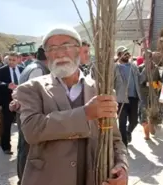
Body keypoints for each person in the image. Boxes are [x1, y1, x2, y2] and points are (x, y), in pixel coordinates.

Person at [16, 26, 128, 185]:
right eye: (52, 48)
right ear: (46, 54)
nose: (59, 53)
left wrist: (122, 166)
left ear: (79, 50)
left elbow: (115, 139)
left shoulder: (101, 90)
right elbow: (31, 130)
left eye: (66, 46)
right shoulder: (31, 89)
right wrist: (85, 114)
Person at [12, 45, 50, 185]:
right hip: (29, 114)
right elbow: (36, 95)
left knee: (24, 147)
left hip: (24, 112)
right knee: (27, 149)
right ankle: (25, 179)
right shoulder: (38, 70)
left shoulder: (32, 66)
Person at [0, 52, 24, 154]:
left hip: (21, 101)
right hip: (7, 101)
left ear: (18, 60)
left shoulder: (22, 70)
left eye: (13, 60)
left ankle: (23, 147)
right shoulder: (1, 71)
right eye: (9, 59)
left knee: (23, 124)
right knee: (6, 125)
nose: (11, 62)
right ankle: (6, 147)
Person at [114, 46, 142, 146]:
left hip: (133, 98)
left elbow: (140, 79)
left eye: (127, 53)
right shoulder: (115, 67)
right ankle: (124, 145)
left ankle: (128, 131)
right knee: (122, 123)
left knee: (134, 121)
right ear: (119, 55)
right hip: (121, 99)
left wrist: (148, 69)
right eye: (123, 53)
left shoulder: (133, 66)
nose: (126, 55)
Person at [138, 50, 163, 140]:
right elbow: (139, 82)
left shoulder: (156, 68)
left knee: (152, 113)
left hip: (153, 95)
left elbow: (160, 82)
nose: (147, 60)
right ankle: (147, 135)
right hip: (143, 95)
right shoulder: (140, 68)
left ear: (151, 58)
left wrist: (153, 85)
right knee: (144, 114)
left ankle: (152, 127)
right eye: (145, 58)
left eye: (149, 57)